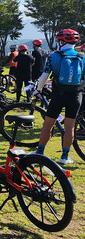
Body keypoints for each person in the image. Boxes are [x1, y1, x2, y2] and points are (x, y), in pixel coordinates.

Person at [34, 29, 84, 164]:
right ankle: (65, 157)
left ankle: (39, 153)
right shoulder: (82, 56)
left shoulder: (54, 56)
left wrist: (37, 90)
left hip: (58, 94)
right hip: (75, 96)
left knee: (48, 125)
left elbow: (44, 76)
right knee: (70, 127)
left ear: (62, 42)